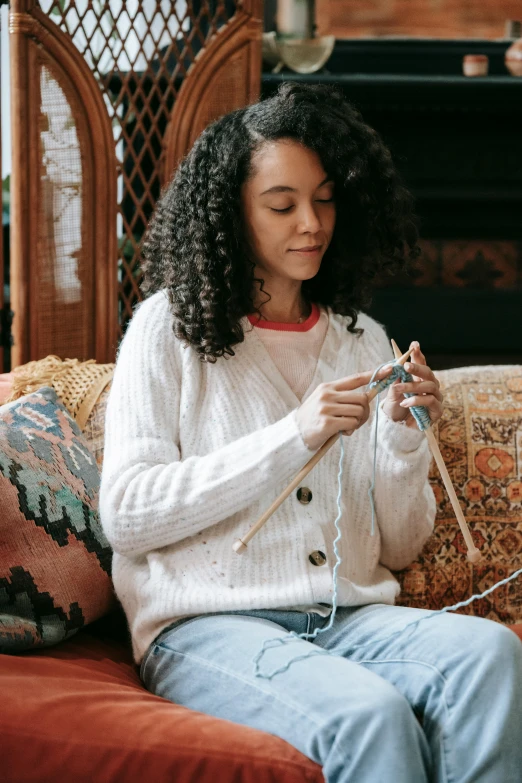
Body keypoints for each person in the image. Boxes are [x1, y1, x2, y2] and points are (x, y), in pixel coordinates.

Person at [99, 83, 522, 782]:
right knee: (369, 715)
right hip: (207, 626)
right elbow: (129, 513)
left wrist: (404, 440)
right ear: (232, 212)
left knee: (493, 656)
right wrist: (293, 435)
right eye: (282, 204)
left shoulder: (364, 340)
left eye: (324, 200)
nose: (311, 223)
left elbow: (400, 544)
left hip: (348, 617)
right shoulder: (166, 329)